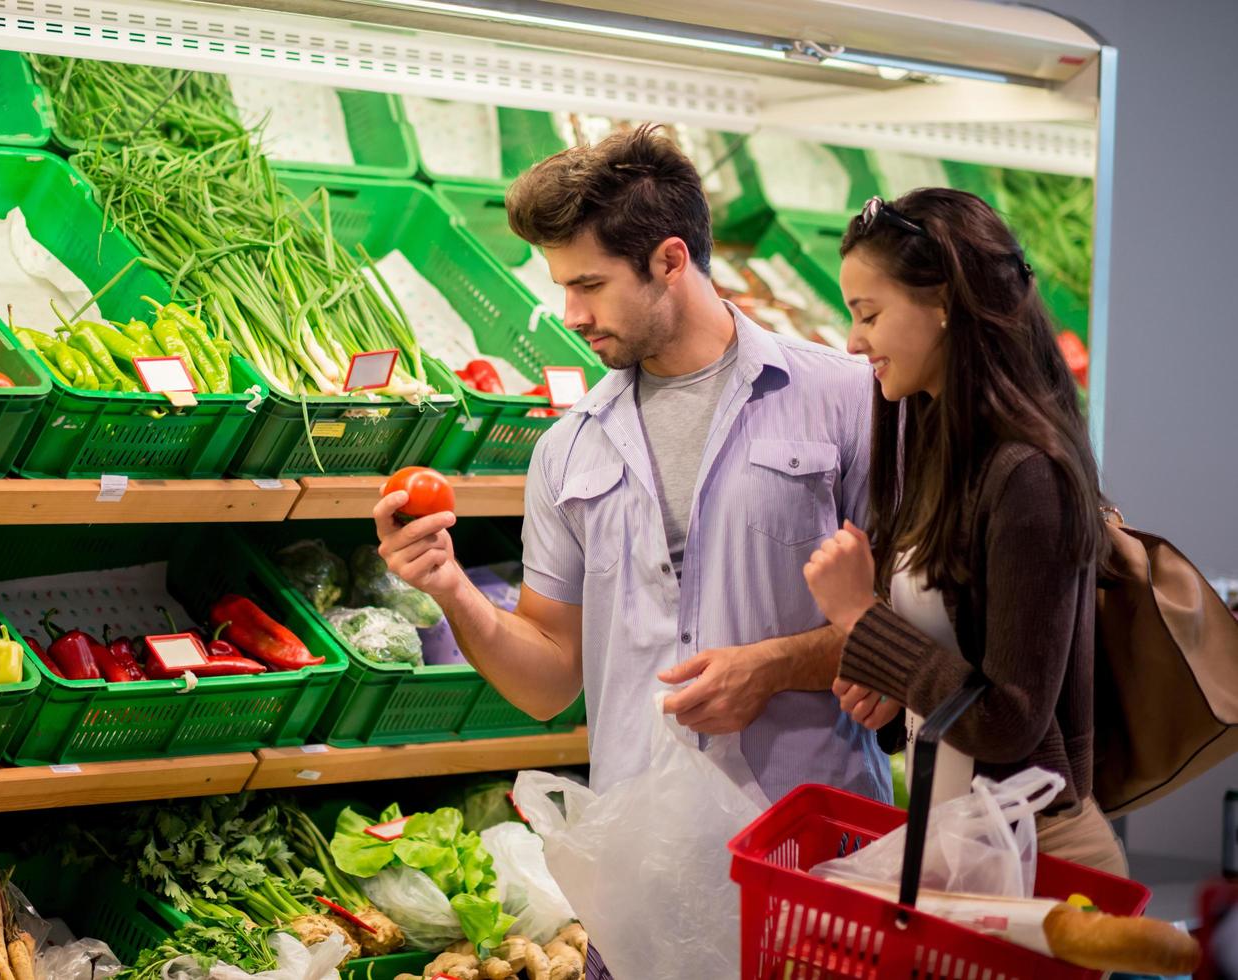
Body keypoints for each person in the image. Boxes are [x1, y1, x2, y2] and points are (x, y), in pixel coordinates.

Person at [374, 125, 890, 811]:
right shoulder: (569, 448)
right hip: (643, 843)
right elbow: (548, 684)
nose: (572, 314)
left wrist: (774, 667)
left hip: (812, 835)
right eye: (563, 286)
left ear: (670, 261)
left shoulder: (848, 397)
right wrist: (450, 588)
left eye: (590, 284)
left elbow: (916, 628)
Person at [803, 189, 1126, 875]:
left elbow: (1008, 722)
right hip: (959, 835)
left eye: (868, 314)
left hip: (1037, 852)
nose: (854, 340)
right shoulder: (931, 454)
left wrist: (862, 618)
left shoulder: (1026, 477)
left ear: (944, 303)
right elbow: (950, 671)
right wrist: (888, 695)